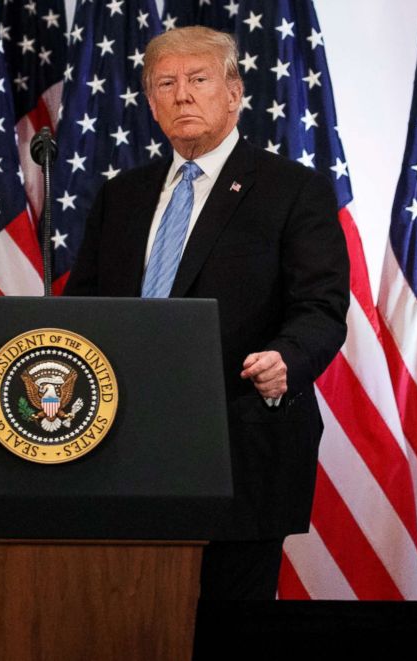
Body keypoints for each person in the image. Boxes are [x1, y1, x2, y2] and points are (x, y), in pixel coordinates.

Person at [63, 26, 349, 600]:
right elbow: (83, 307)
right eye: (165, 84)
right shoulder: (122, 195)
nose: (182, 96)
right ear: (150, 102)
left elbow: (321, 305)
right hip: (120, 448)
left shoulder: (293, 190)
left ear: (234, 91)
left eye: (198, 80)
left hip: (237, 443)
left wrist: (286, 359)